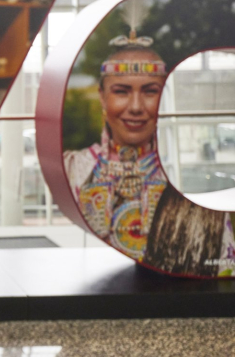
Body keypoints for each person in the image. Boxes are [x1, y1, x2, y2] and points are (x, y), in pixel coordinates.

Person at [64, 37, 170, 260]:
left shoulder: (179, 170)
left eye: (150, 92)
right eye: (121, 92)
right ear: (102, 97)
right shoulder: (72, 168)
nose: (136, 107)